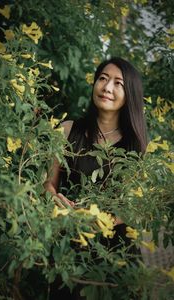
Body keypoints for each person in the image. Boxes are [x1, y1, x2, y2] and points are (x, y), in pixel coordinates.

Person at [44, 57, 147, 299]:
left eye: (118, 83)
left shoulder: (137, 144)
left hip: (115, 253)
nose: (107, 87)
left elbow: (134, 206)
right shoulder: (67, 129)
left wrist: (98, 221)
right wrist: (55, 199)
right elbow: (48, 182)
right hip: (68, 245)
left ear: (129, 93)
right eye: (102, 78)